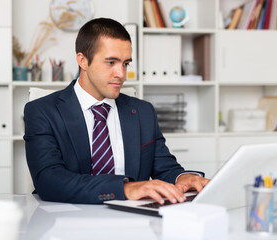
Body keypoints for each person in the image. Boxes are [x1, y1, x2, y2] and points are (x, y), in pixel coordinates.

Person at [23, 17, 209, 205]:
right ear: (83, 61)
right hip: (67, 222)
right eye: (111, 62)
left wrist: (182, 178)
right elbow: (49, 180)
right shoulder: (42, 111)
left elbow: (165, 168)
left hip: (134, 219)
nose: (121, 74)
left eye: (125, 63)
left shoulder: (143, 112)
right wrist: (124, 188)